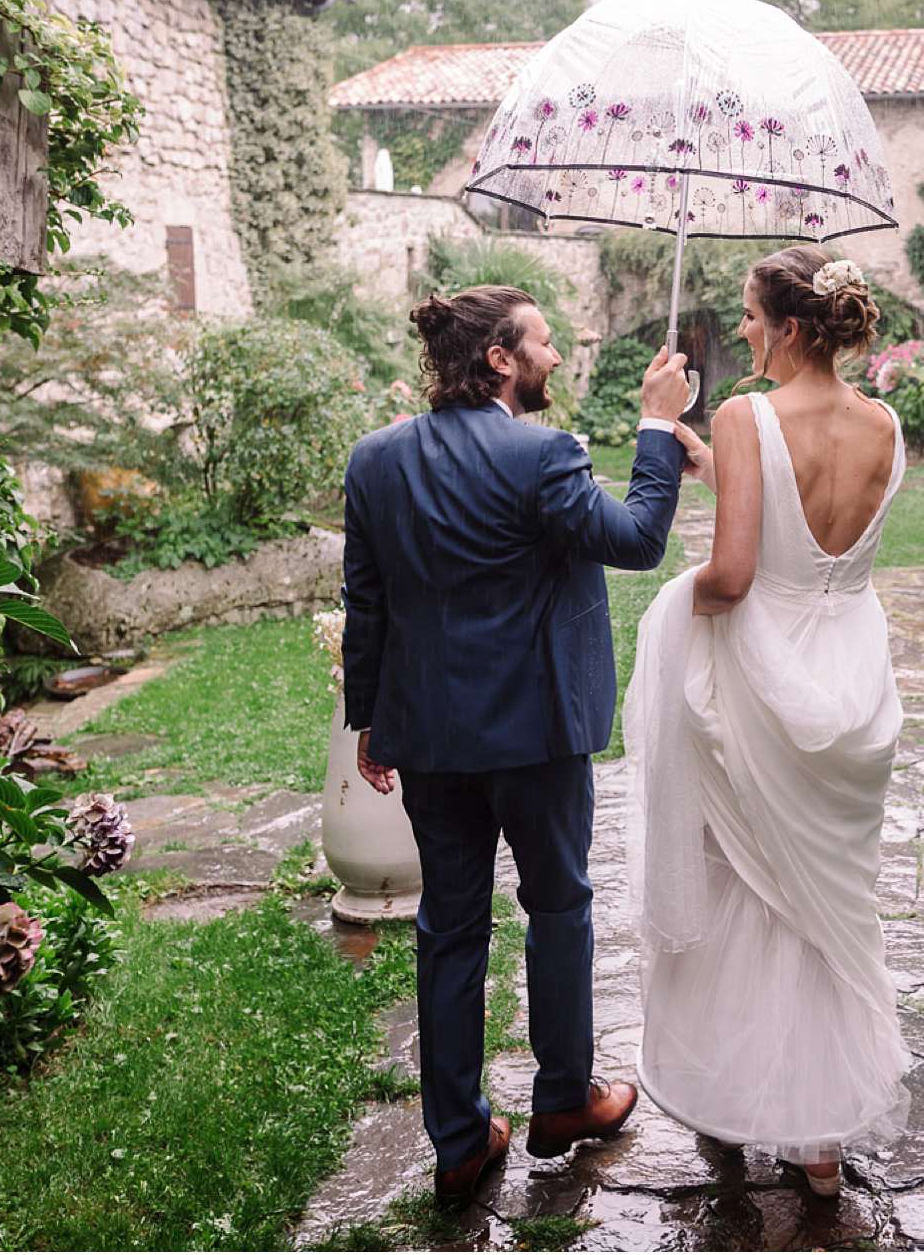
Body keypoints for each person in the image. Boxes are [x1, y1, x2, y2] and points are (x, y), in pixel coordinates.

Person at [340, 284, 696, 1206]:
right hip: (537, 735)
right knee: (559, 906)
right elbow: (638, 538)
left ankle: (460, 1139)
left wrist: (368, 717)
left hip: (427, 740)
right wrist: (657, 429)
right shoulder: (545, 454)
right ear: (499, 357)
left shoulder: (374, 460)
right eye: (543, 341)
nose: (557, 353)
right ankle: (564, 1099)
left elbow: (366, 599)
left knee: (448, 927)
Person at [624, 247, 913, 1198]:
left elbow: (742, 575)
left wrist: (672, 602)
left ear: (788, 327)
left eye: (750, 316)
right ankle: (819, 1141)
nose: (740, 328)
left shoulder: (747, 416)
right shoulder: (885, 424)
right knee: (824, 905)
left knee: (750, 890)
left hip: (760, 674)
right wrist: (719, 469)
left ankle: (747, 1100)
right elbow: (819, 547)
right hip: (851, 676)